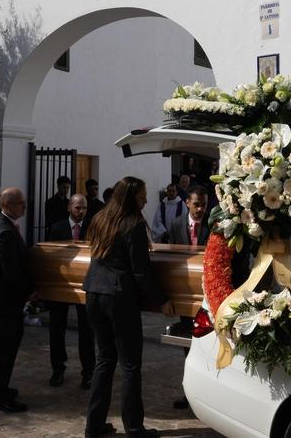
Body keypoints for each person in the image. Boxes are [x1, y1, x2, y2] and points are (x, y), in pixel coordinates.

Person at [83, 176, 174, 438]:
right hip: (119, 299)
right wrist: (162, 300)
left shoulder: (101, 219)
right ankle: (134, 428)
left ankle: (94, 425)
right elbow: (141, 272)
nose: (146, 199)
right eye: (142, 196)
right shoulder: (132, 224)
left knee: (104, 361)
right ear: (130, 198)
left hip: (94, 293)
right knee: (130, 365)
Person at [0, 187, 36, 413]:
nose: (24, 207)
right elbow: (10, 271)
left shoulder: (0, 224)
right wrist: (29, 292)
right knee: (6, 347)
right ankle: (0, 396)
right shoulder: (3, 230)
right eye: (19, 203)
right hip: (5, 301)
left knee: (3, 346)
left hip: (3, 299)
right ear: (6, 205)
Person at [167, 186, 211, 409]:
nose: (201, 209)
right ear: (187, 203)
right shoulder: (175, 225)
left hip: (207, 296)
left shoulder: (212, 225)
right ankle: (190, 392)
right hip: (186, 294)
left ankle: (209, 394)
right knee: (188, 347)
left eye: (204, 204)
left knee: (208, 346)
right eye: (196, 204)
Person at [46, 194, 95, 389]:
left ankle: (88, 372)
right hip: (61, 285)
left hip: (85, 286)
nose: (80, 211)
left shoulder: (92, 228)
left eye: (83, 208)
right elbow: (50, 256)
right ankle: (57, 369)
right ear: (69, 207)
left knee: (87, 329)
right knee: (57, 328)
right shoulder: (57, 228)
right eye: (77, 208)